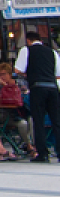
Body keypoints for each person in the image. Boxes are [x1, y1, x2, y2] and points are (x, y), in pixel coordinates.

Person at [16, 28, 60, 163]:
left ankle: (42, 154)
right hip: (53, 88)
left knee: (39, 121)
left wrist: (30, 75)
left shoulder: (26, 50)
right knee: (57, 121)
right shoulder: (52, 52)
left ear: (28, 41)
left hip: (37, 87)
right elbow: (58, 73)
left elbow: (18, 69)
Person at [0, 62, 35, 156]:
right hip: (8, 116)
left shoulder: (20, 84)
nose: (2, 77)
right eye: (0, 75)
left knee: (32, 120)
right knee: (23, 124)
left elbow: (24, 97)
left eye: (4, 74)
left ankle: (35, 145)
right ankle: (29, 146)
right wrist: (5, 88)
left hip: (22, 112)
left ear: (10, 74)